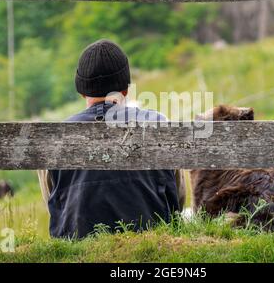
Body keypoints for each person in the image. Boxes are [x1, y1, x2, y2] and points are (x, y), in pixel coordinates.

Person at [37, 39, 185, 239]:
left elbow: (53, 200)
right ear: (125, 88)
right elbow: (177, 194)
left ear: (81, 91)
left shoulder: (55, 137)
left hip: (78, 246)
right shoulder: (159, 123)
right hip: (153, 242)